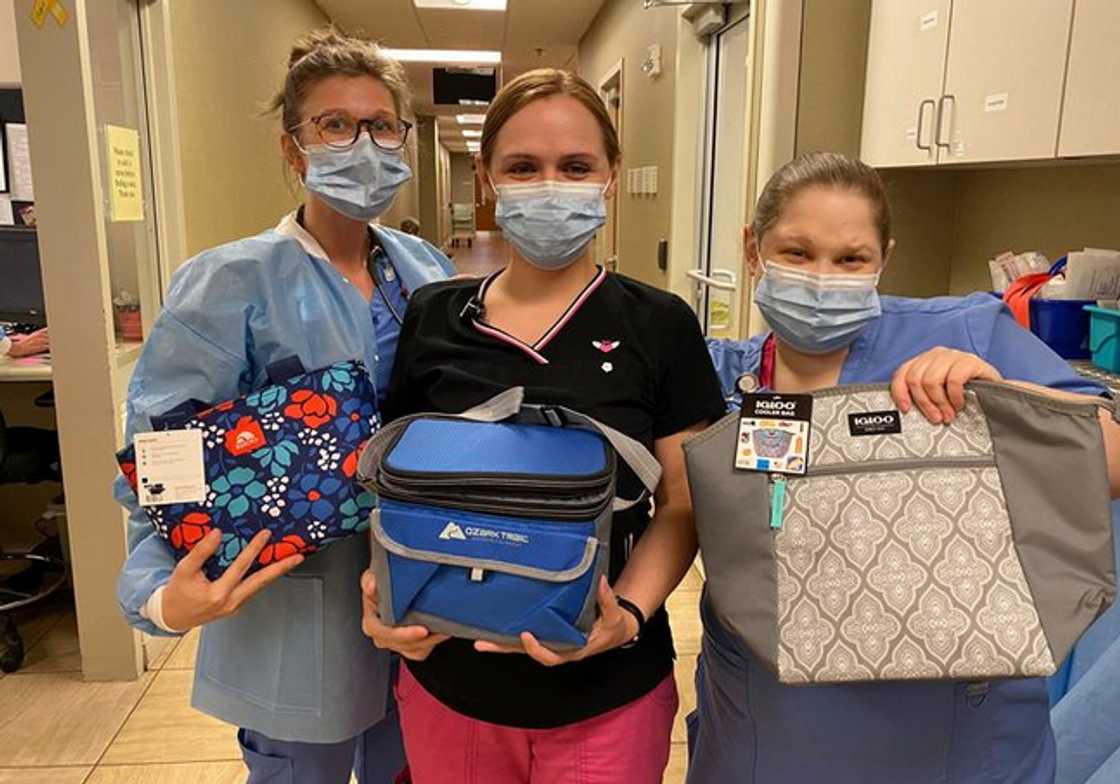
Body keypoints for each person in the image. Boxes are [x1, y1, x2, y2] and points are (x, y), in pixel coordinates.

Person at [689, 151, 1120, 784]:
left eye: (850, 259)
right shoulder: (719, 376)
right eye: (797, 253)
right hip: (766, 721)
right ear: (753, 250)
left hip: (955, 727)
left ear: (884, 258)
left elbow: (1111, 463)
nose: (820, 279)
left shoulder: (971, 336)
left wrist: (1002, 398)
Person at [359, 68, 727, 784]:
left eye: (576, 166)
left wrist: (628, 615)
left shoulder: (659, 325)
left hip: (609, 689)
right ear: (490, 181)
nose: (550, 184)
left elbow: (683, 504)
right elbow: (398, 495)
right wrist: (382, 608)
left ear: (611, 177)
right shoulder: (435, 316)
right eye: (523, 167)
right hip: (452, 686)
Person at [114, 28, 454, 783]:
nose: (362, 144)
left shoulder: (426, 267)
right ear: (294, 148)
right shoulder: (230, 282)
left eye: (381, 125)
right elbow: (161, 455)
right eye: (335, 125)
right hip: (295, 606)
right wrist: (157, 595)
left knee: (412, 765)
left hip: (416, 585)